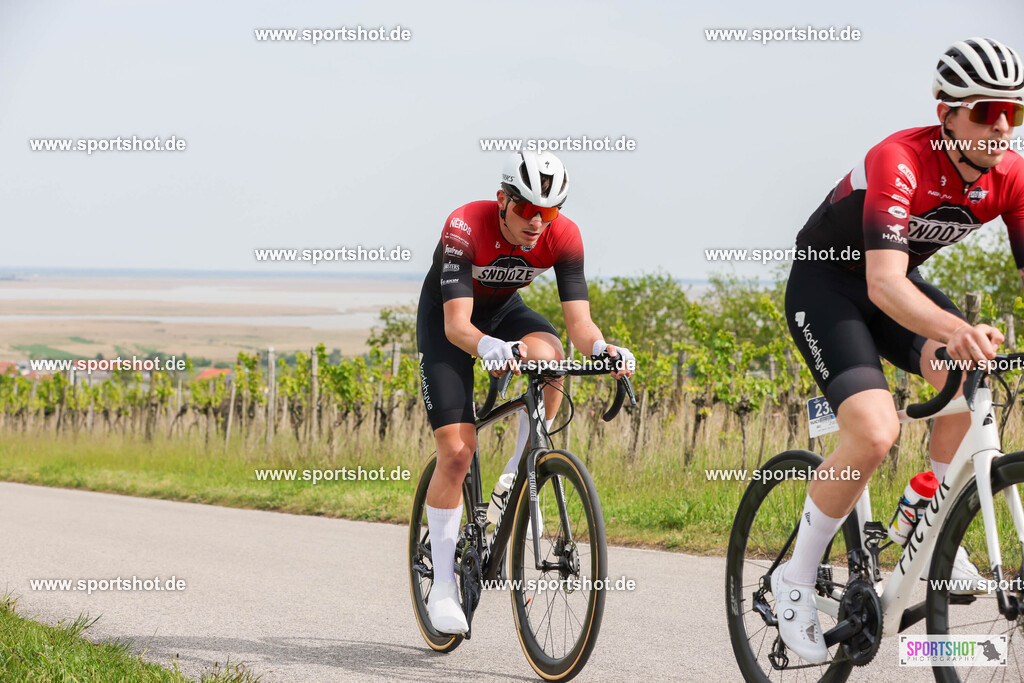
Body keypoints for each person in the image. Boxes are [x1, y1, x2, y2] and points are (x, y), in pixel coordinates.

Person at [776, 37, 1024, 663]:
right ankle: (794, 578)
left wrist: (955, 337)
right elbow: (882, 281)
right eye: (985, 111)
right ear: (947, 113)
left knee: (967, 386)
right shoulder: (900, 158)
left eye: (1013, 114)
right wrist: (952, 327)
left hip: (894, 285)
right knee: (875, 430)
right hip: (829, 284)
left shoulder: (1012, 177)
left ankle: (924, 511)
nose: (1001, 127)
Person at [416, 150, 636, 634]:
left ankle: (519, 469)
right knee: (456, 451)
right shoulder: (464, 226)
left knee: (551, 356)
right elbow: (457, 325)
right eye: (527, 209)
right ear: (502, 200)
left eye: (549, 211)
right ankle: (444, 584)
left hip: (503, 313)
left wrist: (603, 347)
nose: (538, 221)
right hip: (448, 322)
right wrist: (488, 345)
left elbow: (579, 323)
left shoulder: (564, 236)